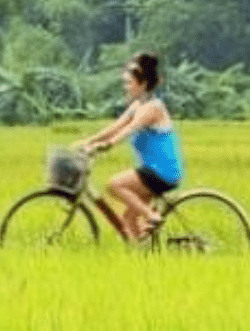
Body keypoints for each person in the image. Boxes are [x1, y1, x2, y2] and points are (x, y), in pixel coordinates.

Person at [78, 52, 183, 242]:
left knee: (114, 185)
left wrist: (106, 145)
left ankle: (152, 216)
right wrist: (87, 142)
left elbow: (128, 130)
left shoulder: (153, 108)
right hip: (151, 171)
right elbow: (115, 127)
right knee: (129, 219)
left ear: (142, 84)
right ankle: (143, 253)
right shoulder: (138, 105)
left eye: (129, 83)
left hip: (162, 172)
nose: (125, 87)